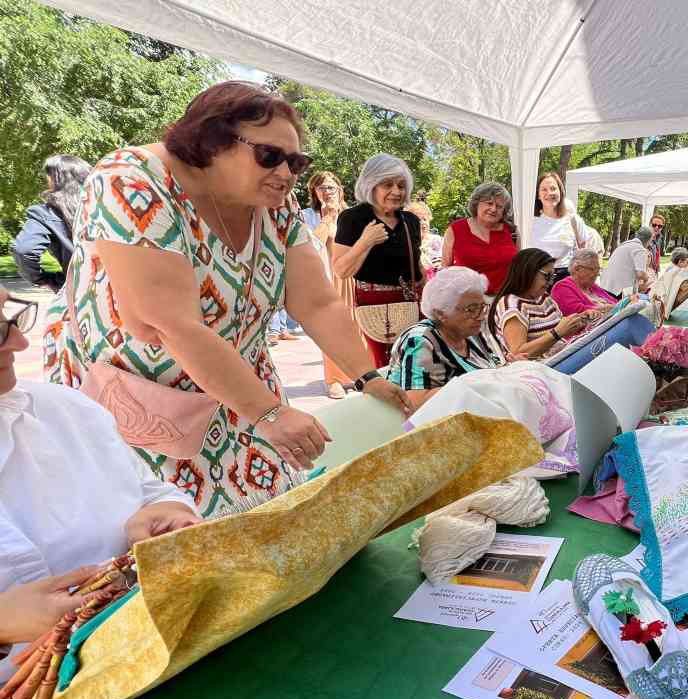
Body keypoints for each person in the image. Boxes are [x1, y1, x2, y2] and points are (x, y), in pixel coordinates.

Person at [44, 81, 412, 519]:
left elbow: (317, 303)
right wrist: (271, 414)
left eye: (296, 161)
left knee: (274, 520)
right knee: (170, 535)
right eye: (270, 156)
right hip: (143, 400)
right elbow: (168, 324)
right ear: (212, 141)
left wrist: (367, 377)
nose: (287, 173)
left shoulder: (275, 200)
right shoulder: (130, 180)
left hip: (241, 387)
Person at [1, 283, 201, 685]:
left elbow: (152, 490)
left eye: (8, 318)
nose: (20, 342)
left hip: (151, 660)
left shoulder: (66, 409)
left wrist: (168, 515)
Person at [332, 154, 424, 369]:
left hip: (410, 302)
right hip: (373, 304)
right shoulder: (352, 218)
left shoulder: (410, 220)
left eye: (401, 185)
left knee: (416, 364)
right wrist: (366, 241)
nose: (396, 191)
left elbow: (417, 265)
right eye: (387, 184)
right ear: (371, 185)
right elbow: (341, 270)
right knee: (385, 367)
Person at [388, 267, 499, 409]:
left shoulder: (471, 333)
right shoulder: (421, 339)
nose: (481, 316)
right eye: (471, 309)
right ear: (441, 313)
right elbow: (415, 401)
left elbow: (493, 370)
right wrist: (481, 384)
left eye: (482, 307)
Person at [299, 170, 354, 398]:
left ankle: (354, 374)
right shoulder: (307, 216)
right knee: (331, 328)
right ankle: (334, 379)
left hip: (352, 276)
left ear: (340, 189)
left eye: (331, 187)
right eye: (322, 188)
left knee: (355, 327)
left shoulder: (352, 214)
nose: (327, 192)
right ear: (315, 192)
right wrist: (327, 218)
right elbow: (312, 245)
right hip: (326, 278)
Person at [488, 248, 591, 359]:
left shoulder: (543, 297)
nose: (550, 282)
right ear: (528, 273)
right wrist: (556, 334)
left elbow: (560, 327)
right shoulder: (511, 305)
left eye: (552, 277)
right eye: (547, 276)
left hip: (562, 357)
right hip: (541, 369)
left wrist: (580, 321)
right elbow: (518, 353)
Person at [11, 155, 91, 292]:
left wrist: (46, 280)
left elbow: (23, 250)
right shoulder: (105, 206)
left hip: (79, 292)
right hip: (122, 287)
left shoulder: (45, 213)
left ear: (55, 180)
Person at [441, 182, 519, 295]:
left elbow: (519, 269)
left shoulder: (512, 232)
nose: (493, 209)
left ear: (504, 211)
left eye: (499, 206)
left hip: (504, 302)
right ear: (477, 204)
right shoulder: (455, 230)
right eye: (489, 203)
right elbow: (445, 269)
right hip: (467, 302)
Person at [530, 172, 587, 283]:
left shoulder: (573, 220)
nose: (549, 193)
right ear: (538, 194)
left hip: (566, 280)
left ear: (561, 191)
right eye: (544, 189)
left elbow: (583, 251)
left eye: (553, 188)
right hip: (537, 279)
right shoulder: (531, 221)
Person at [550, 249, 618, 316]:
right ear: (577, 269)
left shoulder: (592, 286)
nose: (597, 273)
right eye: (592, 269)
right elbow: (576, 312)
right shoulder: (561, 287)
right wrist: (606, 308)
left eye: (598, 269)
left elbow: (615, 302)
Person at [597, 226, 653, 296]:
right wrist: (647, 278)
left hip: (605, 285)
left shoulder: (625, 244)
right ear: (649, 240)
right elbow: (640, 274)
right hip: (617, 291)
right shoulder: (640, 249)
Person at [405, 200, 443, 277]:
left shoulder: (437, 240)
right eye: (418, 220)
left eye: (425, 219)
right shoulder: (406, 243)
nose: (423, 223)